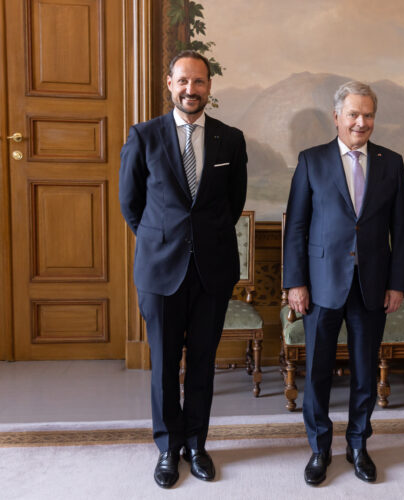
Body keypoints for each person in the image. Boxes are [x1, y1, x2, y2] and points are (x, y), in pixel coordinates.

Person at [119, 50, 247, 489]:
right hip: (160, 269)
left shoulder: (231, 139)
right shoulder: (144, 136)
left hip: (212, 268)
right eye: (183, 82)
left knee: (204, 363)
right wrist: (162, 238)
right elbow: (130, 204)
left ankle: (197, 443)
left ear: (209, 87)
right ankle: (167, 449)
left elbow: (232, 205)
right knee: (164, 363)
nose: (191, 90)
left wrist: (201, 240)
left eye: (199, 82)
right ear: (169, 84)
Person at [283, 81, 404, 486]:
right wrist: (295, 282)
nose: (361, 122)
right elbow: (297, 227)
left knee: (363, 372)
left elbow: (401, 231)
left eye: (368, 115)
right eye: (353, 114)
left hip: (372, 285)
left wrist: (397, 284)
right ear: (337, 117)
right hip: (320, 285)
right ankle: (320, 448)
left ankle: (358, 444)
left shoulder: (391, 163)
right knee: (318, 372)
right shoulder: (311, 161)